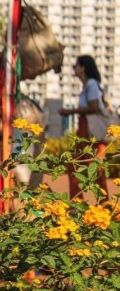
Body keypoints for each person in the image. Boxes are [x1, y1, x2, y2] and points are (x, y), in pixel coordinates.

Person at [58, 55, 109, 201]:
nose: (74, 69)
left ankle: (105, 207)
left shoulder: (92, 84)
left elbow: (94, 107)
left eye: (76, 66)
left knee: (96, 169)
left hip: (91, 132)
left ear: (83, 68)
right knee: (74, 165)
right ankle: (77, 203)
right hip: (84, 131)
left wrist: (71, 111)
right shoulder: (88, 86)